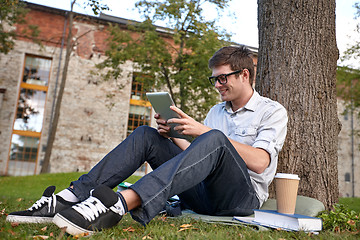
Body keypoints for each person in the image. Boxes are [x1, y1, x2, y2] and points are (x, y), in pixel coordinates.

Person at [6, 46, 288, 235]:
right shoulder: (217, 111)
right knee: (147, 135)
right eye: (214, 79)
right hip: (201, 193)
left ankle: (119, 204)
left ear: (245, 74)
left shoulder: (272, 111)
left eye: (223, 78)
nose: (217, 85)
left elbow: (261, 162)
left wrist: (203, 132)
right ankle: (68, 199)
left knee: (214, 136)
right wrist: (175, 133)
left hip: (240, 197)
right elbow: (197, 157)